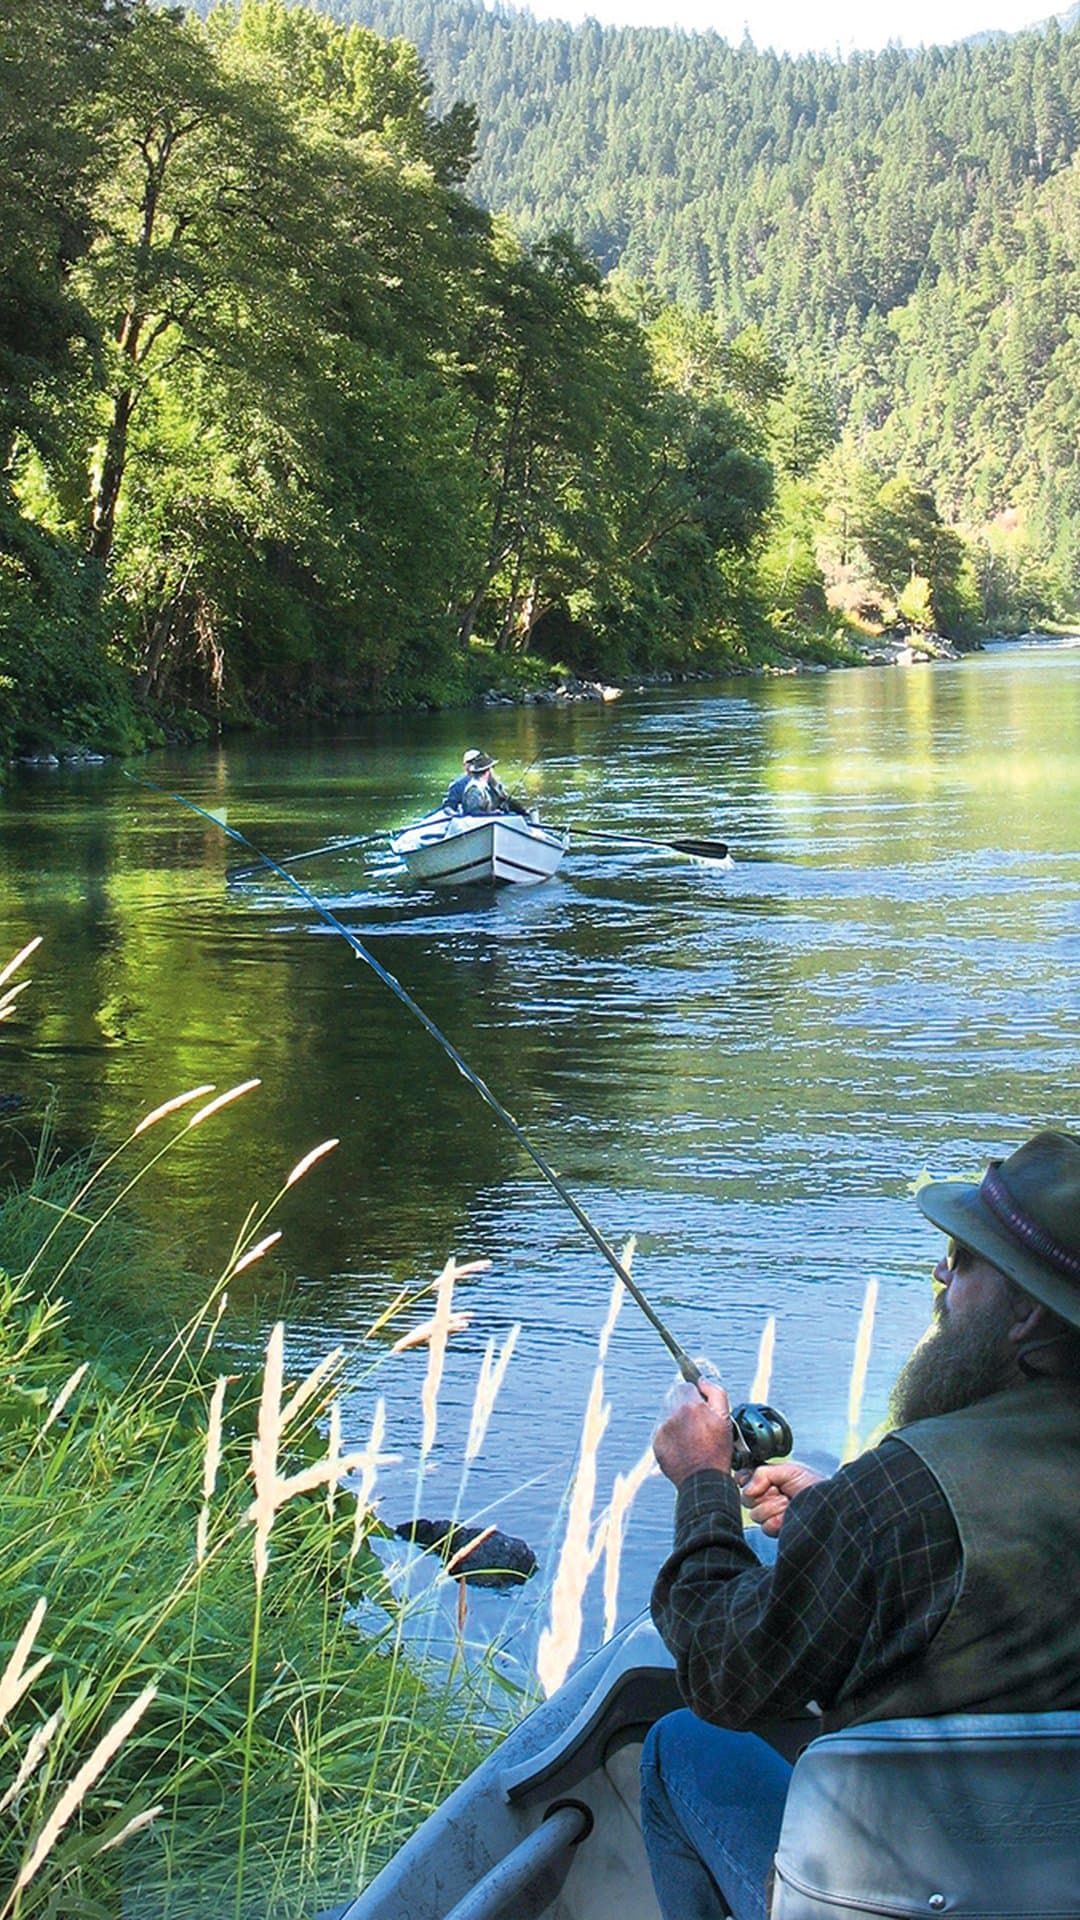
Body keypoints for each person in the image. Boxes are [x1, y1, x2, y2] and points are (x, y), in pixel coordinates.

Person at [641, 1128, 1080, 1920]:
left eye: (964, 1258)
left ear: (1023, 1315)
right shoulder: (894, 1502)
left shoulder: (903, 1492)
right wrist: (833, 1513)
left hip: (897, 1897)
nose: (941, 1274)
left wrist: (702, 1480)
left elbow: (723, 1674)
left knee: (680, 1745)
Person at [458, 752, 531, 817]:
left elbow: (506, 801)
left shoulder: (491, 786)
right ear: (487, 771)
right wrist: (493, 814)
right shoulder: (474, 789)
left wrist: (523, 812)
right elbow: (474, 814)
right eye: (492, 768)